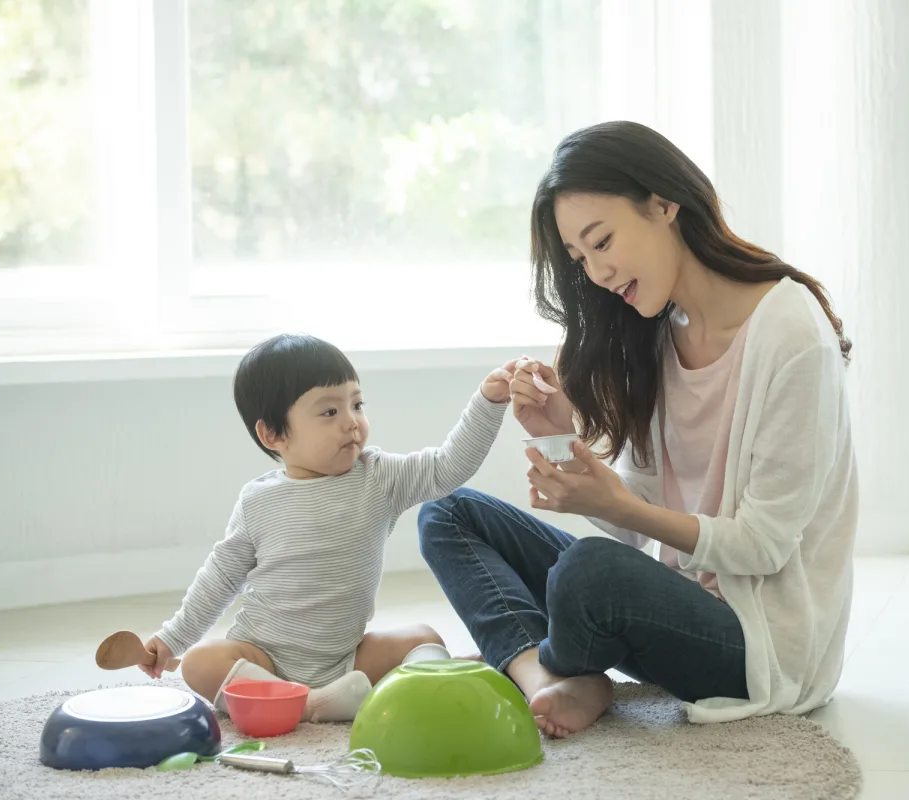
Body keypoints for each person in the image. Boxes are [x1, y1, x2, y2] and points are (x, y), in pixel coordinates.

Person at [418, 120, 859, 738]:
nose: (596, 272)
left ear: (662, 202)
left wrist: (619, 505)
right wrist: (561, 439)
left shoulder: (791, 335)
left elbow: (763, 545)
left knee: (588, 574)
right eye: (580, 258)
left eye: (602, 242)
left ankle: (551, 660)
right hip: (668, 601)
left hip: (758, 649)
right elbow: (642, 512)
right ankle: (551, 676)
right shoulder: (657, 327)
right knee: (448, 513)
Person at [141, 333, 515, 722]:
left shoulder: (379, 477)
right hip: (262, 657)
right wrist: (173, 640)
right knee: (199, 663)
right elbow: (219, 579)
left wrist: (488, 403)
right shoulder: (257, 502)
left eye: (356, 404)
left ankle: (375, 691)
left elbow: (447, 467)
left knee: (423, 637)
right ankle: (304, 702)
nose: (352, 422)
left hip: (345, 659)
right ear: (274, 434)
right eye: (329, 412)